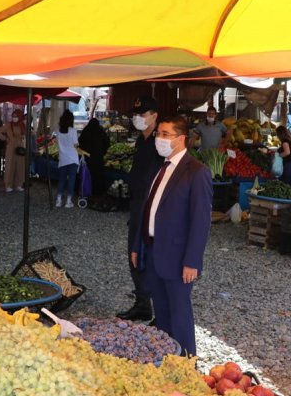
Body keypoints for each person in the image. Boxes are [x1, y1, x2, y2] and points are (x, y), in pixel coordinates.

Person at [130, 117, 213, 355]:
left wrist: (192, 261)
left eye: (166, 134)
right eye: (158, 134)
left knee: (179, 312)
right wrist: (137, 245)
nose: (160, 139)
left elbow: (201, 222)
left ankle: (187, 361)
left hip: (177, 256)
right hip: (152, 250)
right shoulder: (160, 168)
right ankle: (167, 356)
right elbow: (147, 209)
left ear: (181, 138)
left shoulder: (196, 172)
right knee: (162, 310)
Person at [117, 96, 163, 322]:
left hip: (152, 205)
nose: (138, 118)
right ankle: (142, 303)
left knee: (153, 256)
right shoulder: (141, 141)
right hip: (137, 204)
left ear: (154, 116)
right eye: (136, 114)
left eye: (142, 114)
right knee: (134, 254)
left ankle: (161, 310)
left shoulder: (160, 143)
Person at [0, 109, 26, 193]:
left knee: (20, 166)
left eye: (16, 116)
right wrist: (5, 138)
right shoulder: (8, 125)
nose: (14, 118)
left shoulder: (23, 125)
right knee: (10, 166)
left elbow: (28, 133)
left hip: (20, 147)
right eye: (13, 116)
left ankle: (19, 184)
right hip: (11, 147)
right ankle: (8, 185)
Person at [54, 109, 79, 207]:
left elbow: (57, 143)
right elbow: (76, 144)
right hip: (73, 158)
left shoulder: (58, 131)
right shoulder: (73, 131)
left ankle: (58, 200)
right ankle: (68, 201)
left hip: (63, 158)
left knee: (61, 179)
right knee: (71, 180)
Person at [79, 118, 110, 197]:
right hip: (98, 157)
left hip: (88, 157)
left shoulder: (86, 130)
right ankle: (98, 192)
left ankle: (88, 191)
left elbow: (80, 142)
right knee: (98, 175)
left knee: (89, 174)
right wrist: (103, 151)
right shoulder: (100, 130)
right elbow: (107, 142)